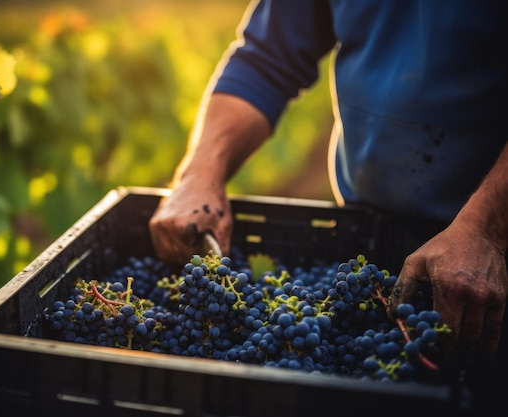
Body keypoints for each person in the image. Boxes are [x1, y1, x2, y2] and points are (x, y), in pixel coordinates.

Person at [148, 0, 508, 367]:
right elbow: (267, 59)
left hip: (491, 254)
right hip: (363, 235)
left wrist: (487, 227)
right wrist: (199, 175)